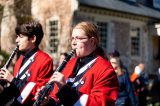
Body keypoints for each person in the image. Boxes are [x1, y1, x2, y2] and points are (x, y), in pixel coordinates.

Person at [35, 21, 119, 106]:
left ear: (92, 41)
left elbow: (100, 103)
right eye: (72, 39)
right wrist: (48, 102)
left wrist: (65, 90)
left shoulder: (105, 69)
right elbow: (58, 99)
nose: (73, 43)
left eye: (79, 38)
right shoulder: (69, 64)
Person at [0, 20, 54, 105]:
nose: (16, 40)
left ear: (33, 38)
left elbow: (41, 91)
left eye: (20, 37)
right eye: (17, 36)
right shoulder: (19, 61)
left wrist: (13, 80)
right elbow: (15, 92)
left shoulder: (45, 60)